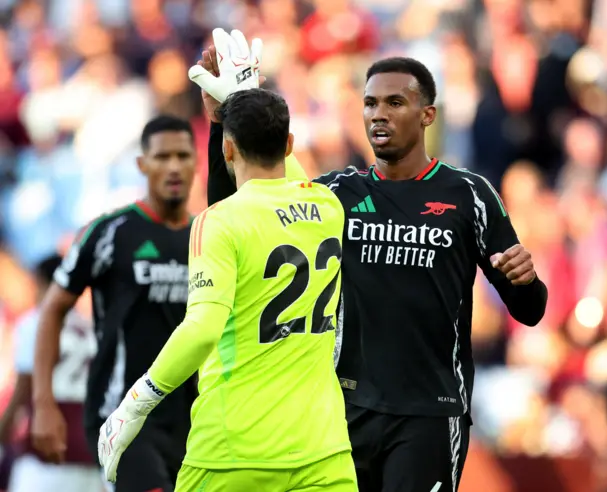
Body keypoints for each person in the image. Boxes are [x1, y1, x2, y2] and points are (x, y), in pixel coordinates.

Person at [198, 29, 548, 492]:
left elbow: (529, 309)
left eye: (394, 103)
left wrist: (524, 281)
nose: (378, 114)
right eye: (369, 104)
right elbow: (239, 204)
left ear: (428, 115)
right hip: (342, 411)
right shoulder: (337, 194)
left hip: (430, 413)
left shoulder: (469, 195)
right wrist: (226, 120)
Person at [98, 88, 356, 492]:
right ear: (289, 143)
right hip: (324, 450)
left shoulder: (219, 220)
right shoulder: (328, 206)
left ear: (227, 149)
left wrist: (135, 405)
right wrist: (245, 91)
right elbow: (295, 181)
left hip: (233, 450)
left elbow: (202, 328)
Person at [31, 115, 199, 492]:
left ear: (196, 162)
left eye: (183, 156)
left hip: (192, 421)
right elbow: (53, 308)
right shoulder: (110, 232)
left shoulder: (207, 236)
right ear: (142, 164)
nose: (173, 166)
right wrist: (44, 403)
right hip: (121, 418)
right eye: (162, 157)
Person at [0, 254, 101, 492]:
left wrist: (3, 433)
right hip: (89, 455)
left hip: (47, 454)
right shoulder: (89, 327)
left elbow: (25, 388)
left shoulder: (35, 322)